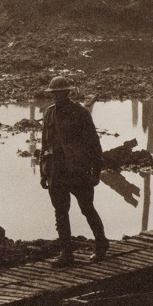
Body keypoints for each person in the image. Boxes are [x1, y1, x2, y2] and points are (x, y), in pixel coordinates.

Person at [39, 75, 108, 267]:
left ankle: (101, 245)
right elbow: (44, 144)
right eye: (54, 93)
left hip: (78, 171)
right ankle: (66, 253)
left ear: (68, 93)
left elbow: (94, 144)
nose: (56, 96)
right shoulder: (49, 113)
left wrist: (96, 172)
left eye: (60, 93)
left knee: (87, 209)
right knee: (60, 213)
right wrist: (43, 172)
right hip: (56, 171)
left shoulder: (80, 113)